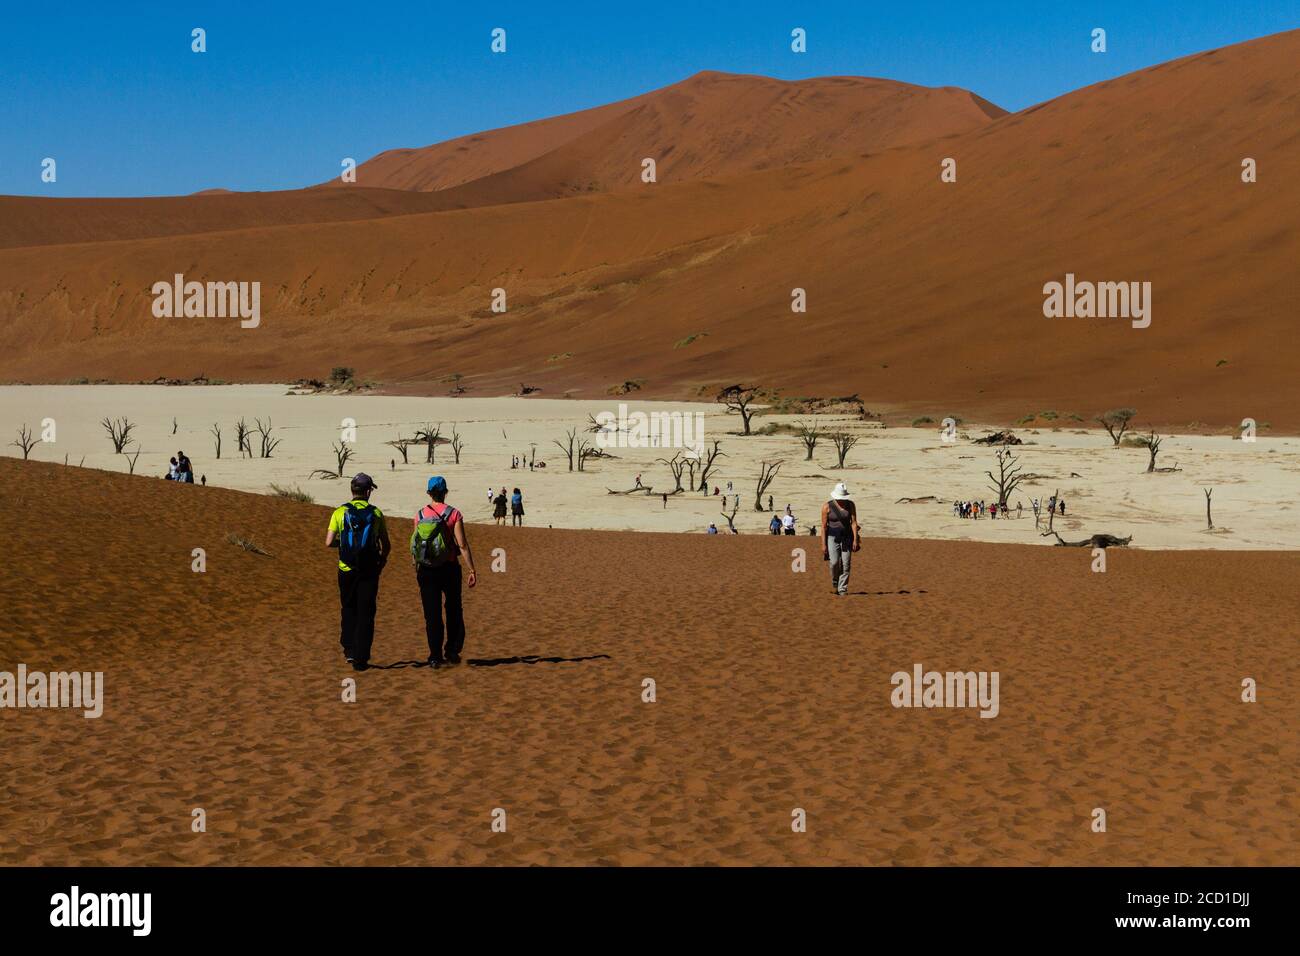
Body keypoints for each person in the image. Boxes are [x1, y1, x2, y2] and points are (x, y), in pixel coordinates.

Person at [325, 474, 391, 671]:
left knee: (348, 607)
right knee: (366, 612)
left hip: (346, 569)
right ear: (368, 491)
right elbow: (386, 545)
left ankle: (349, 650)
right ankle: (362, 657)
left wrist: (343, 544)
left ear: (352, 490)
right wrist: (381, 562)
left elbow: (328, 542)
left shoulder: (339, 512)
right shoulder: (376, 513)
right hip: (369, 570)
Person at [412, 476, 477, 667]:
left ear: (429, 493)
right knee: (454, 609)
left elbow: (416, 546)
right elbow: (462, 545)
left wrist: (416, 566)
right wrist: (472, 569)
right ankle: (452, 650)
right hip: (449, 568)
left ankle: (434, 655)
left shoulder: (420, 515)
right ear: (445, 492)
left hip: (426, 570)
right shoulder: (453, 514)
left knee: (431, 614)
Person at [821, 482, 860, 596]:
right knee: (834, 562)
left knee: (846, 563)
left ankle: (842, 589)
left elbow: (853, 523)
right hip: (832, 537)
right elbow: (823, 527)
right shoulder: (827, 506)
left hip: (847, 537)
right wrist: (823, 544)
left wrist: (855, 540)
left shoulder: (850, 505)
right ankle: (835, 583)